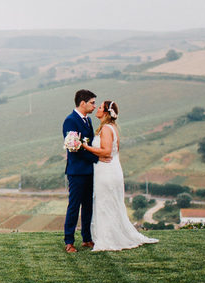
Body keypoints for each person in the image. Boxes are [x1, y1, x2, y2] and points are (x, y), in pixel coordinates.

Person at [82, 100, 158, 251]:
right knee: (110, 203)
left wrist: (86, 147)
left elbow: (106, 151)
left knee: (106, 203)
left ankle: (109, 239)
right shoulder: (112, 128)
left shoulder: (106, 129)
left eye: (100, 107)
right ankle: (110, 236)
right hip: (111, 169)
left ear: (105, 112)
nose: (97, 109)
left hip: (106, 171)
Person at [62, 89, 100, 253]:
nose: (94, 106)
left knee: (88, 206)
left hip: (89, 171)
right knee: (74, 206)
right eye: (92, 102)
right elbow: (74, 148)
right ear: (82, 103)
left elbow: (89, 144)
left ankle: (87, 238)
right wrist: (96, 159)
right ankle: (69, 241)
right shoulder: (70, 121)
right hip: (77, 172)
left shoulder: (88, 121)